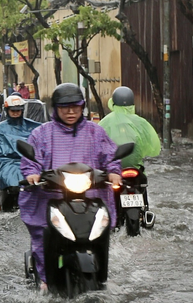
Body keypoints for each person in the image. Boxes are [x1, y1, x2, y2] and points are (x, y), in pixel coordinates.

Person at [19, 83, 121, 291]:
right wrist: (32, 174)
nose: (71, 111)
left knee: (100, 233)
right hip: (52, 197)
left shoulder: (96, 132)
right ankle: (45, 278)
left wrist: (114, 172)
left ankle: (101, 274)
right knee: (42, 232)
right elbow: (31, 161)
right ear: (55, 108)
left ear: (82, 106)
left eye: (76, 106)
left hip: (90, 197)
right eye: (65, 107)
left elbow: (110, 156)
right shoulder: (42, 134)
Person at [98, 86, 161, 215]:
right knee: (142, 185)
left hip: (114, 171)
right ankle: (145, 211)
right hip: (136, 168)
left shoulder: (105, 122)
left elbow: (97, 146)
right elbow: (153, 145)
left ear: (113, 102)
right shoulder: (141, 122)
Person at [0, 95, 41, 212]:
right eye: (12, 110)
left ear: (22, 110)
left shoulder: (32, 126)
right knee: (5, 177)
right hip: (8, 161)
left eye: (18, 110)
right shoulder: (1, 128)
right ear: (7, 111)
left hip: (29, 160)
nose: (15, 113)